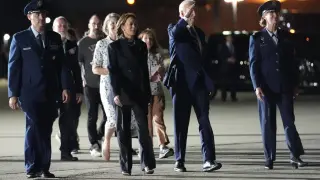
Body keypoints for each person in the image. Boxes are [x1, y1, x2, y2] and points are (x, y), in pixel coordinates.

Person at [7, 0, 71, 178]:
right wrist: (13, 94)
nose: (42, 18)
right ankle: (32, 166)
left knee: (46, 128)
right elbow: (14, 68)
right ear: (29, 17)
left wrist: (65, 87)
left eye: (43, 14)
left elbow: (62, 66)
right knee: (34, 127)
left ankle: (44, 167)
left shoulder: (54, 38)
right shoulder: (20, 38)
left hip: (50, 92)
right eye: (37, 14)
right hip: (30, 93)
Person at [249, 0, 308, 170]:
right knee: (268, 124)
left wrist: (295, 83)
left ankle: (295, 156)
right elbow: (253, 64)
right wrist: (256, 86)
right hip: (266, 88)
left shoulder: (286, 37)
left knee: (289, 122)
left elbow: (292, 63)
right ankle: (269, 158)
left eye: (276, 13)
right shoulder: (257, 38)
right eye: (270, 13)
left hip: (284, 86)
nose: (275, 16)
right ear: (264, 17)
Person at [167, 0, 222, 172]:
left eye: (195, 11)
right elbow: (176, 35)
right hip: (181, 83)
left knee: (204, 120)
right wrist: (184, 20)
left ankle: (209, 159)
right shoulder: (174, 29)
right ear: (182, 13)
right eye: (190, 11)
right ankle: (179, 159)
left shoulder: (198, 32)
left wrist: (209, 79)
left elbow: (203, 58)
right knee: (181, 123)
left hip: (198, 84)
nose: (194, 14)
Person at [108, 13, 156, 175]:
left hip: (140, 92)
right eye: (130, 24)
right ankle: (125, 166)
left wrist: (147, 93)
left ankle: (147, 163)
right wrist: (115, 93)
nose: (134, 27)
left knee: (144, 129)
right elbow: (113, 72)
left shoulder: (141, 46)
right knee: (123, 130)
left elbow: (144, 71)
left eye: (135, 24)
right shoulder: (114, 47)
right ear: (122, 27)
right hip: (122, 93)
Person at [92, 13, 138, 161]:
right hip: (107, 86)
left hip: (126, 85)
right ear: (106, 26)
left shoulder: (126, 43)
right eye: (110, 22)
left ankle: (125, 148)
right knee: (112, 118)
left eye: (116, 21)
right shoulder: (101, 44)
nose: (113, 24)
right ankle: (106, 141)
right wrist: (112, 71)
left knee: (128, 119)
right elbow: (95, 68)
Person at [139, 28, 174, 159]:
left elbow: (162, 74)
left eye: (150, 39)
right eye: (145, 38)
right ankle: (146, 148)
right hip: (143, 93)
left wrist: (161, 72)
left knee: (158, 119)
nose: (148, 41)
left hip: (156, 92)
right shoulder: (137, 55)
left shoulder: (158, 55)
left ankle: (163, 146)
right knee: (146, 122)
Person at [52, 16, 82, 160]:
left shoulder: (72, 45)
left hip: (69, 87)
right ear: (54, 28)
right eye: (59, 26)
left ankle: (66, 150)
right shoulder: (48, 44)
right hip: (52, 87)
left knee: (69, 119)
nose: (62, 28)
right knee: (48, 120)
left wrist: (79, 91)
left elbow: (76, 69)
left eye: (64, 26)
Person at [78, 15, 107, 157]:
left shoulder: (105, 41)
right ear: (89, 25)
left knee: (109, 116)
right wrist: (81, 80)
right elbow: (79, 64)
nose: (96, 26)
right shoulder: (83, 43)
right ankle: (94, 144)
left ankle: (99, 134)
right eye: (93, 23)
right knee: (92, 115)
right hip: (90, 85)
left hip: (105, 84)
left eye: (98, 23)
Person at [218, 35, 238, 102]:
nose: (230, 39)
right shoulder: (222, 46)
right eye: (229, 38)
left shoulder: (234, 46)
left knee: (233, 83)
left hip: (233, 68)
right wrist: (227, 59)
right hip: (225, 68)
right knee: (224, 83)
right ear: (226, 39)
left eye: (231, 38)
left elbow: (236, 54)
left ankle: (233, 97)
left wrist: (235, 59)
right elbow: (220, 56)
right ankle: (223, 97)